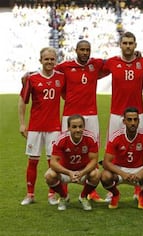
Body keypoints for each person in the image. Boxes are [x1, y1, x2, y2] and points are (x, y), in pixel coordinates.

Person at [102, 31, 143, 200]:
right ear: (120, 45)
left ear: (135, 45)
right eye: (125, 43)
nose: (128, 46)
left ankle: (137, 189)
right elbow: (92, 74)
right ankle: (112, 191)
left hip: (137, 113)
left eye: (130, 43)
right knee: (112, 151)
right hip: (116, 114)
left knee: (139, 150)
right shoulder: (112, 62)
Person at [55, 40, 107, 203]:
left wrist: (136, 55)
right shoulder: (65, 66)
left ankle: (90, 192)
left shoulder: (96, 64)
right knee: (65, 150)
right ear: (76, 50)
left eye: (88, 50)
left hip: (91, 114)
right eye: (82, 49)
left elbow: (113, 63)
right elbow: (49, 71)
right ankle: (63, 191)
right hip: (70, 114)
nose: (85, 52)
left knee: (92, 150)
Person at [18, 47, 65, 205]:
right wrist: (22, 124)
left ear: (55, 61)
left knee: (53, 162)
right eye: (46, 59)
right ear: (41, 61)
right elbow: (23, 101)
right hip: (35, 127)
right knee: (33, 161)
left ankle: (51, 195)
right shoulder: (32, 78)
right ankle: (30, 195)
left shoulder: (61, 77)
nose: (50, 62)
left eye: (52, 59)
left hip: (54, 128)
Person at [100, 107, 143, 209]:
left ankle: (141, 195)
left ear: (138, 120)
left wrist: (140, 173)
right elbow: (106, 162)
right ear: (124, 121)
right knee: (105, 176)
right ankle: (115, 194)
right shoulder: (116, 136)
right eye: (129, 120)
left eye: (135, 119)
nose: (133, 123)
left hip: (138, 170)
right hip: (120, 170)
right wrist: (123, 174)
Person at [44, 114, 100, 211]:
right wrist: (69, 173)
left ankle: (83, 197)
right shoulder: (61, 139)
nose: (78, 130)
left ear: (84, 127)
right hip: (65, 172)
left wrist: (82, 173)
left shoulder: (91, 138)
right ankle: (63, 197)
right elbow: (53, 162)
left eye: (80, 126)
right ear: (68, 128)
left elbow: (94, 160)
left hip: (82, 171)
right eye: (74, 127)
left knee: (96, 174)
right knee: (49, 175)